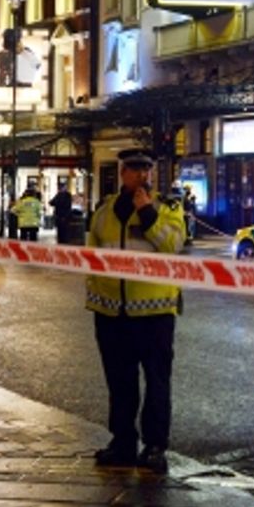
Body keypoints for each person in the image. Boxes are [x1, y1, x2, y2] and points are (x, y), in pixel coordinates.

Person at [86, 148, 185, 475]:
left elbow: (172, 245)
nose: (142, 176)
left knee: (157, 382)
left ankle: (155, 446)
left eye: (147, 169)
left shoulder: (167, 208)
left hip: (154, 313)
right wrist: (96, 298)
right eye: (135, 169)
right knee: (120, 382)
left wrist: (148, 215)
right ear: (123, 172)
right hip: (113, 313)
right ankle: (123, 442)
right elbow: (92, 256)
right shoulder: (104, 211)